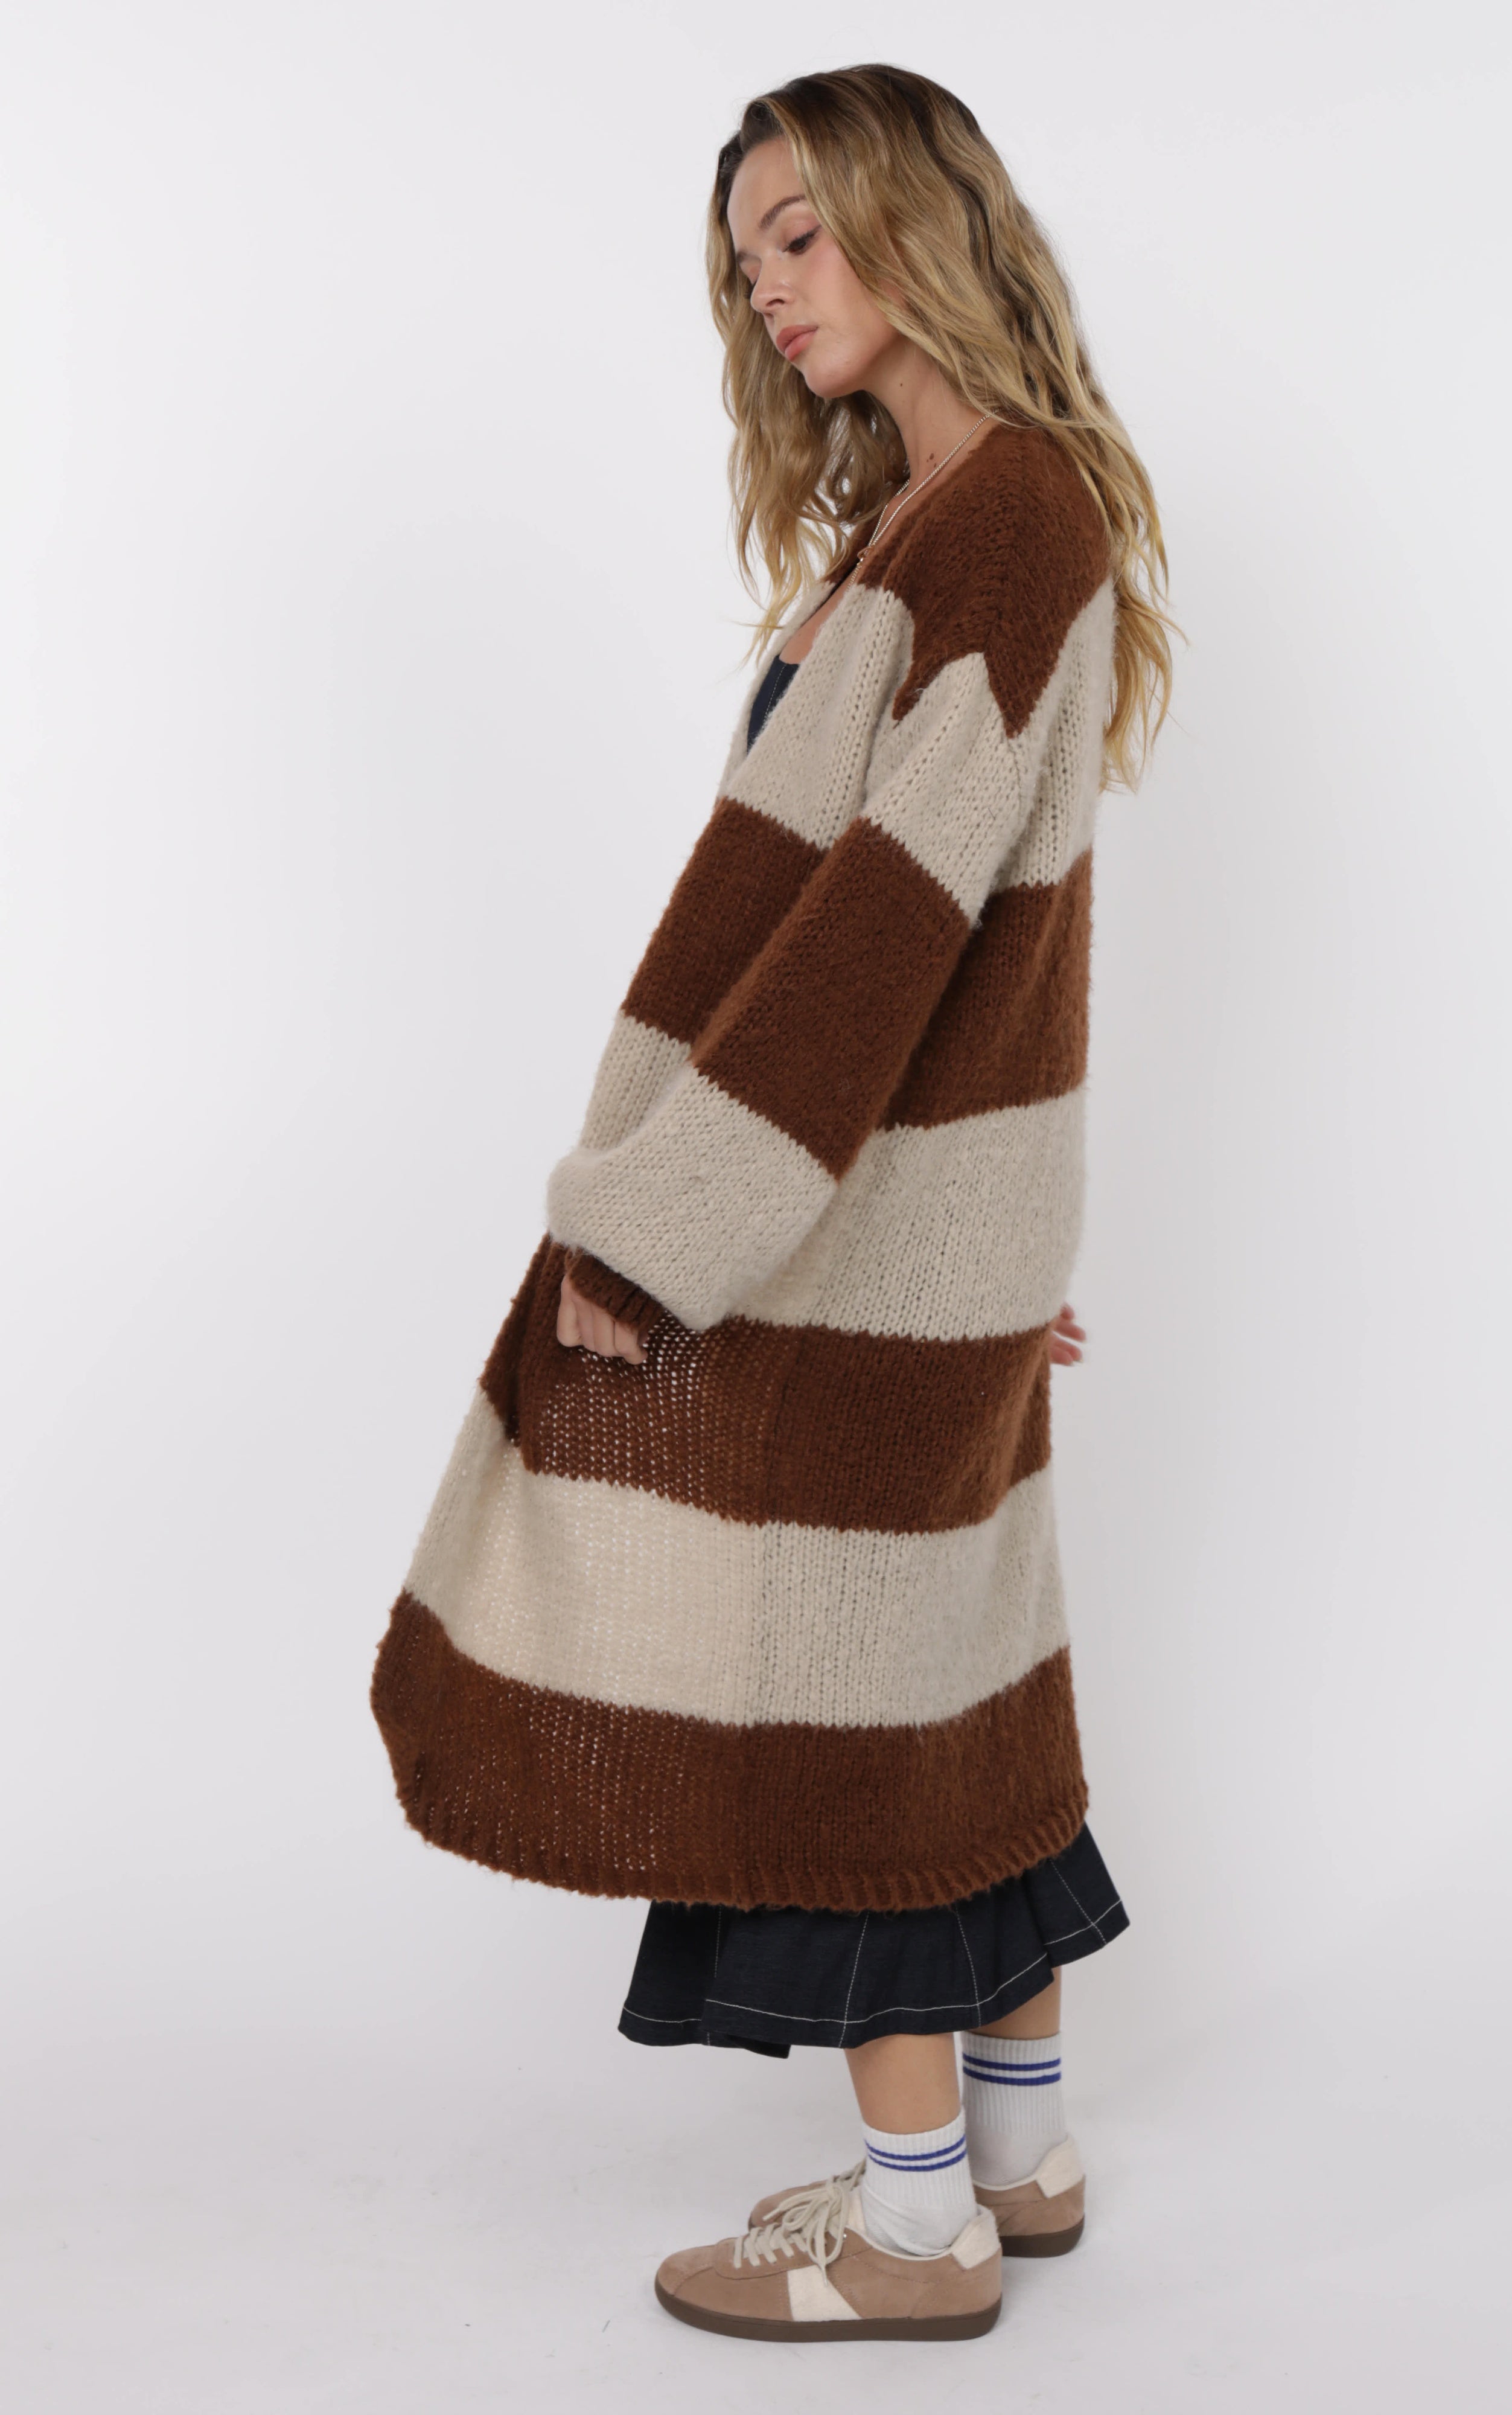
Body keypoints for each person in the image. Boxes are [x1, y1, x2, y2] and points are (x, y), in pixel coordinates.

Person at [371, 62, 1173, 2344]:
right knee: (957, 1671)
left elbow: (879, 938)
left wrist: (656, 1237)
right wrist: (991, 1248)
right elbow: (974, 935)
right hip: (914, 1224)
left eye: (802, 234)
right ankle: (1016, 2152)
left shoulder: (993, 524)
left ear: (923, 217)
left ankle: (913, 2231)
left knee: (840, 1705)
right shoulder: (951, 524)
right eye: (746, 262)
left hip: (836, 1220)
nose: (771, 289)